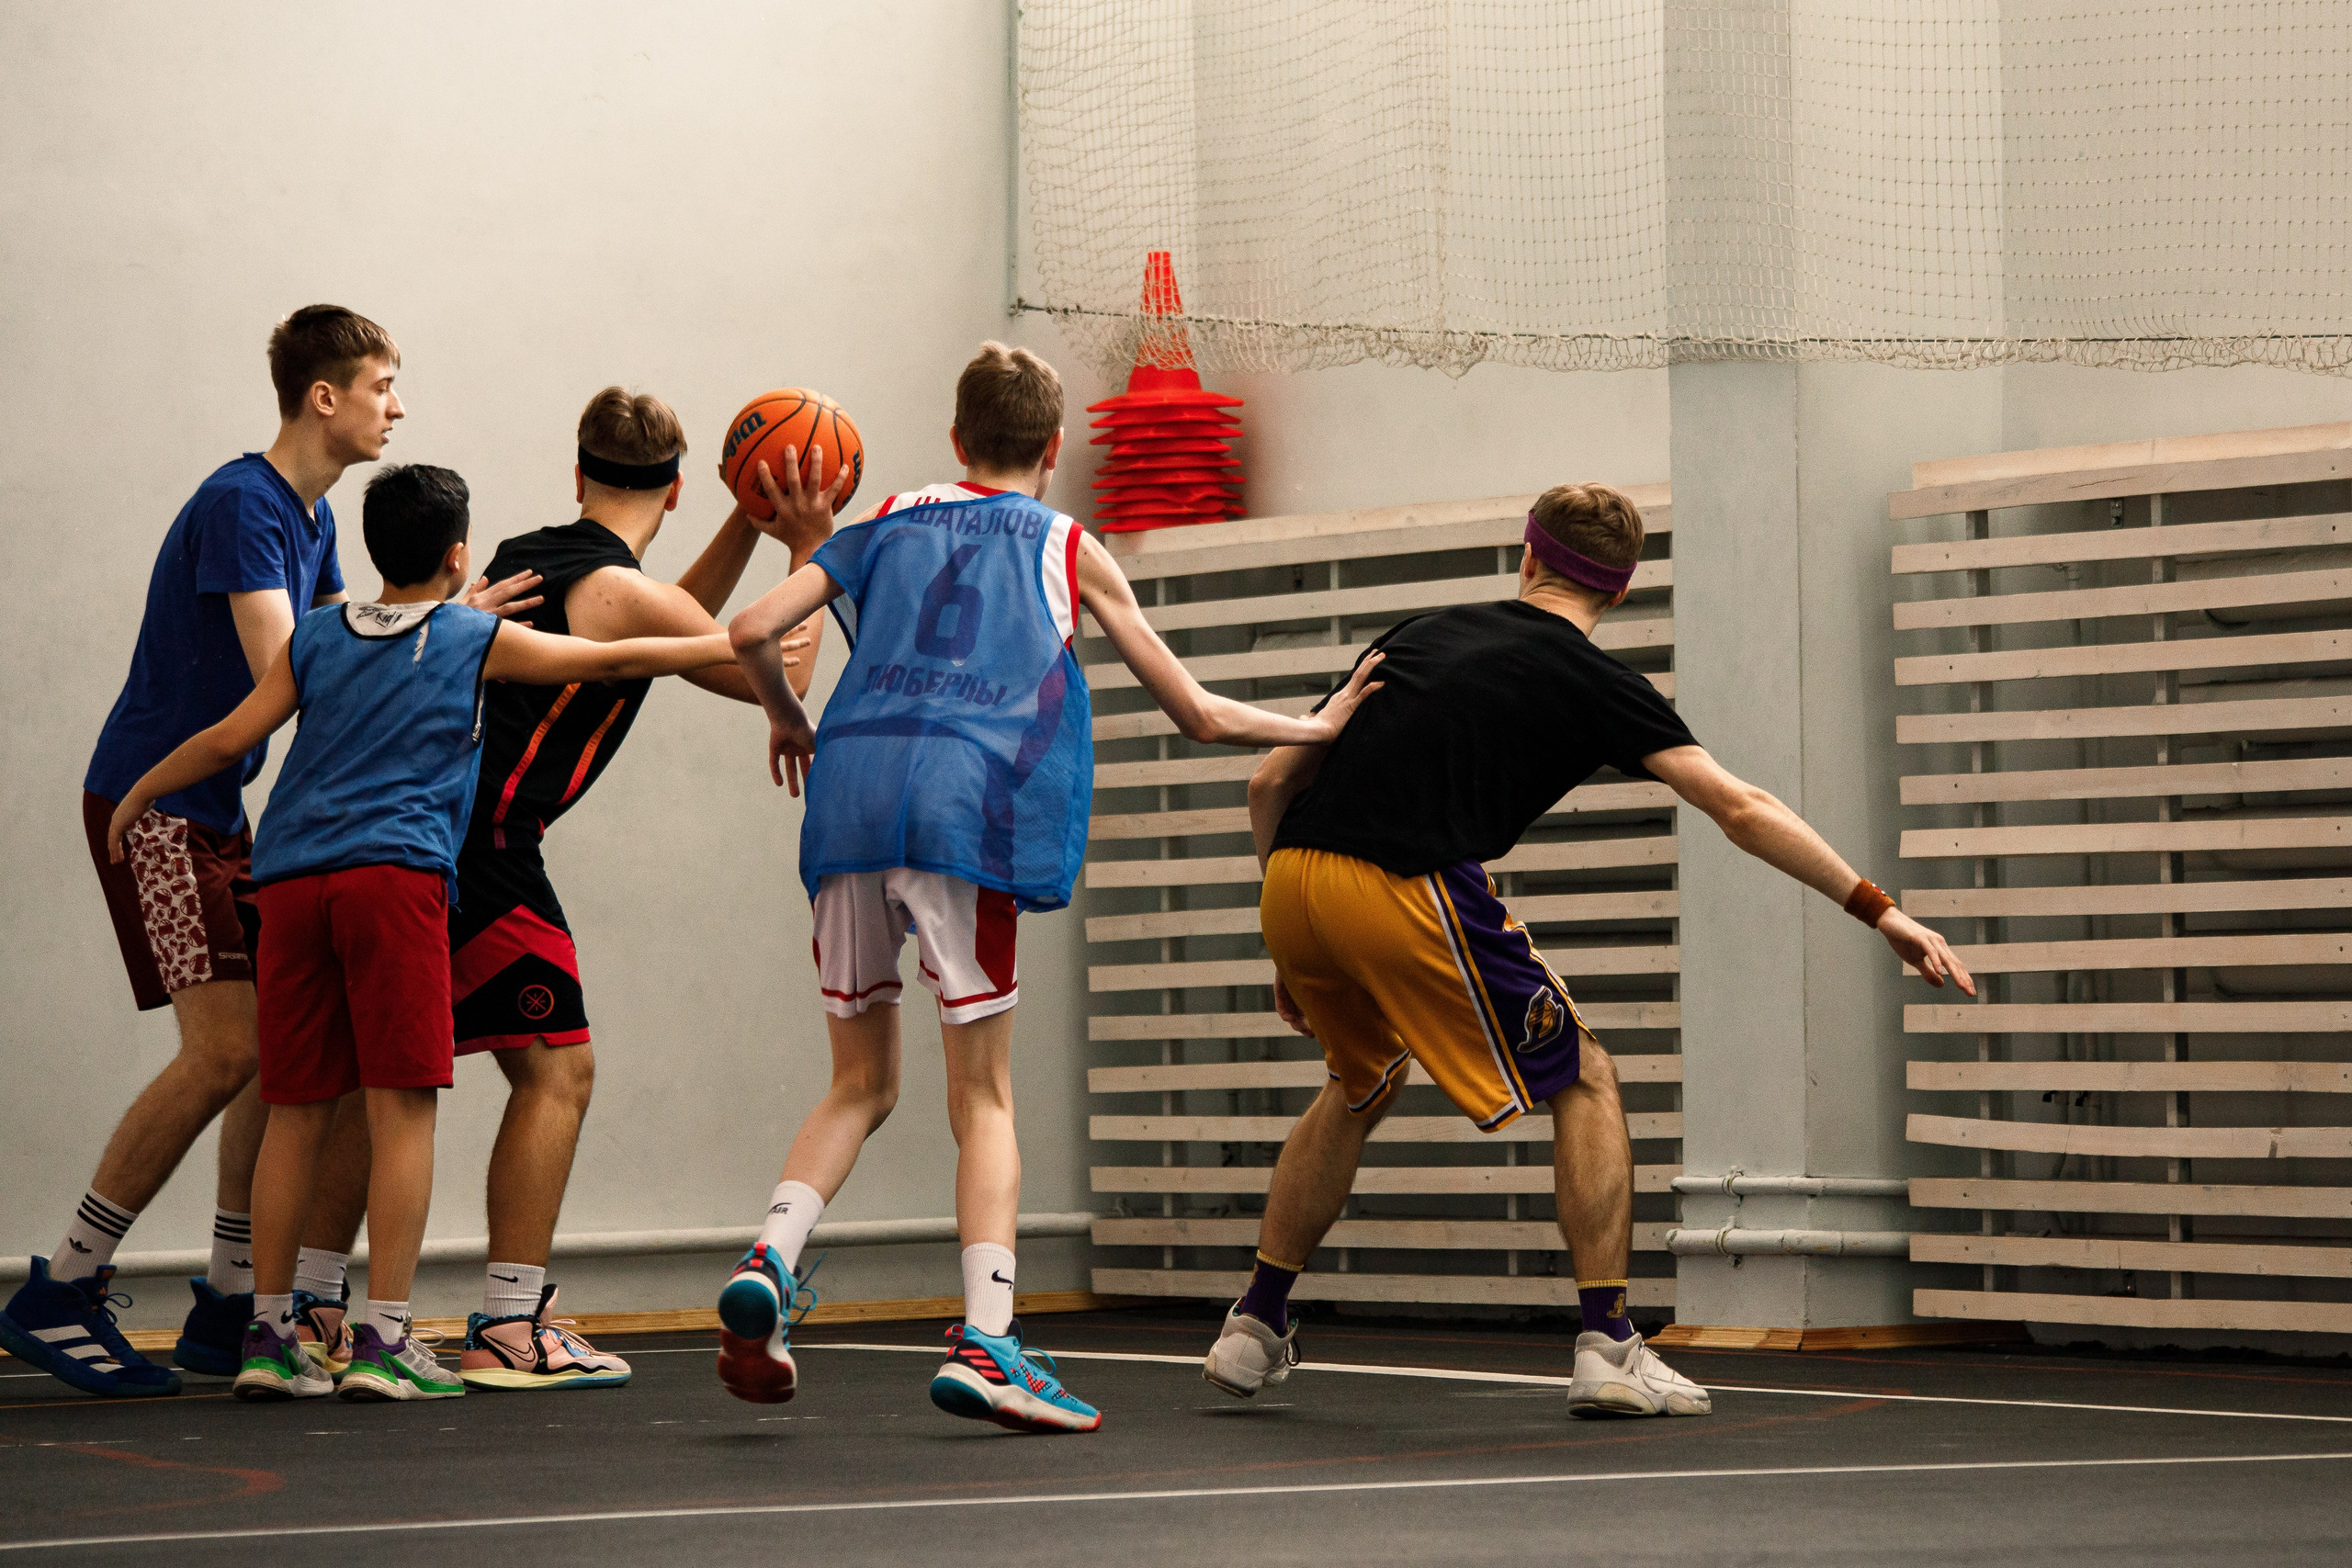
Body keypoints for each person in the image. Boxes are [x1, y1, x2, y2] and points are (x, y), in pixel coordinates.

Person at [715, 343, 1385, 1431]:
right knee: (981, 1097)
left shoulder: (881, 520)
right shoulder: (1066, 542)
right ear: (1057, 445)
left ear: (953, 438)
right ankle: (986, 1339)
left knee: (857, 1083)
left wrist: (786, 715)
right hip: (961, 812)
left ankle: (770, 1256)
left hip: (844, 802)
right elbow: (1198, 713)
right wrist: (1320, 722)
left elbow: (749, 630)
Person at [1198, 481, 1975, 1418]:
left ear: (1527, 558)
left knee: (1359, 1080)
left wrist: (1288, 941)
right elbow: (1739, 807)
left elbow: (1268, 780)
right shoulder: (1598, 680)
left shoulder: (1414, 632)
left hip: (1292, 878)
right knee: (1586, 1079)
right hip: (1403, 884)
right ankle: (1608, 1343)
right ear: (1618, 593)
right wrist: (1877, 908)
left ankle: (1254, 1325)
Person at [97, 463, 734, 1403]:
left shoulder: (317, 634)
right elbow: (606, 660)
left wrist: (140, 792)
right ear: (458, 556)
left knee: (300, 1110)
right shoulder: (473, 637)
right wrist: (743, 633)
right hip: (390, 882)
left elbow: (231, 738)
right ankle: (386, 1338)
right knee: (403, 1108)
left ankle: (273, 1338)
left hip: (290, 883)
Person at [0, 306, 535, 1398]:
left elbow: (358, 646)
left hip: (225, 815)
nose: (400, 406)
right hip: (159, 805)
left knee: (290, 1057)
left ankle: (237, 1296)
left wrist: (438, 620)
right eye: (385, 385)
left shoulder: (315, 517)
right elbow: (287, 675)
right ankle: (64, 1283)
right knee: (228, 1052)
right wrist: (453, 633)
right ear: (324, 398)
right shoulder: (246, 506)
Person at [284, 388, 839, 1393]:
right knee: (557, 1071)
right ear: (672, 489)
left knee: (389, 1075)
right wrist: (807, 547)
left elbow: (674, 611)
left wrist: (743, 522)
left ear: (578, 475)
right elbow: (777, 658)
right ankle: (507, 1322)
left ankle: (318, 1311)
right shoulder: (622, 592)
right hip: (486, 846)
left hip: (417, 832)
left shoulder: (533, 551)